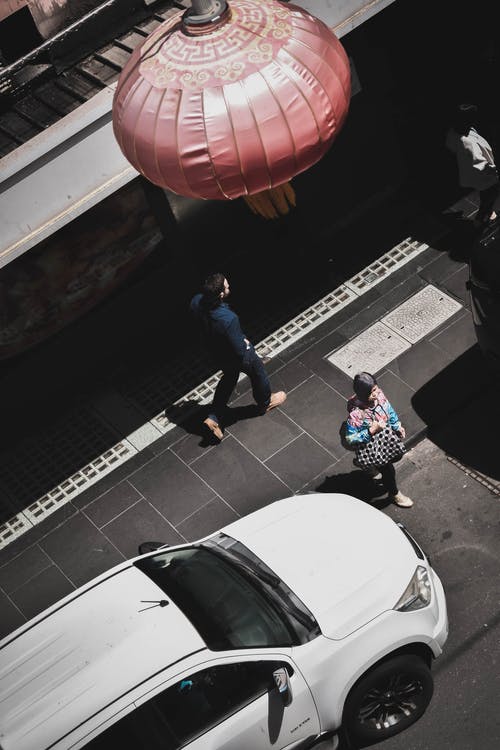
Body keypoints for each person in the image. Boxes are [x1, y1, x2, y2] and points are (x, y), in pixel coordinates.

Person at [190, 273, 286, 440]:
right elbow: (240, 350)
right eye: (227, 287)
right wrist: (246, 345)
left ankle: (213, 417)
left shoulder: (196, 301)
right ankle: (265, 402)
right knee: (258, 372)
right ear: (220, 294)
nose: (229, 288)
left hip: (216, 353)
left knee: (229, 378)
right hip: (236, 356)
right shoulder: (228, 319)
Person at [345, 372, 413, 508]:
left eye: (376, 388)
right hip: (372, 444)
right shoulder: (356, 414)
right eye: (371, 392)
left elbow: (389, 409)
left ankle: (365, 464)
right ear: (363, 394)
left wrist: (397, 425)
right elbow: (350, 439)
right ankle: (394, 494)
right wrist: (371, 430)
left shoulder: (379, 395)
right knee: (388, 470)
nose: (376, 394)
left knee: (397, 455)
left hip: (386, 436)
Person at [445, 103, 499, 227]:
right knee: (490, 194)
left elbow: (450, 146)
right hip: (484, 176)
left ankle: (488, 212)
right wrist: (494, 171)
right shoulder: (466, 143)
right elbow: (480, 164)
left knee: (486, 193)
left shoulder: (454, 132)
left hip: (475, 174)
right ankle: (480, 220)